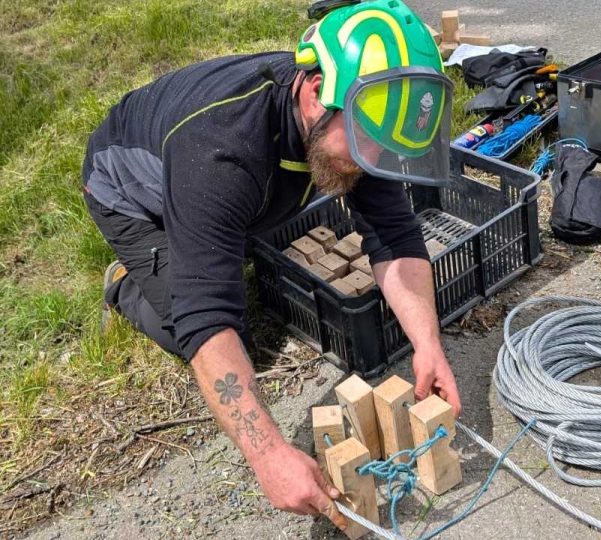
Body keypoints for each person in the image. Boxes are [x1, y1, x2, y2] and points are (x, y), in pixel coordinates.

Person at [81, 0, 461, 529]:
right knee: (193, 332)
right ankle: (126, 283)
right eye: (361, 143)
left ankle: (215, 240)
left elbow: (395, 236)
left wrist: (428, 344)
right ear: (313, 94)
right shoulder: (220, 152)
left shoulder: (353, 115)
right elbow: (205, 317)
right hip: (129, 193)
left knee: (246, 239)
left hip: (222, 188)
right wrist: (270, 455)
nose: (370, 157)